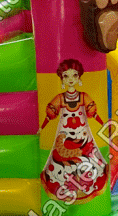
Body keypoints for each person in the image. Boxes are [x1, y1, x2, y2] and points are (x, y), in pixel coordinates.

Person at [40, 59, 108, 201]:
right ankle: (66, 186)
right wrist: (42, 127)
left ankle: (85, 183)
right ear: (62, 78)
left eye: (74, 75)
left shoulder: (83, 96)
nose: (70, 79)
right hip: (64, 134)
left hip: (82, 133)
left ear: (79, 77)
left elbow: (93, 113)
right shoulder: (60, 98)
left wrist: (103, 124)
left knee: (88, 155)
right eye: (66, 76)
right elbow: (50, 114)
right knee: (61, 158)